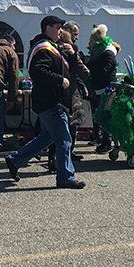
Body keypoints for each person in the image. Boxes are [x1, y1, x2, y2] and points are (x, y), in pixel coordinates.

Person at [5, 15, 85, 190]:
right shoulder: (43, 48)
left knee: (46, 138)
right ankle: (65, 176)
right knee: (64, 140)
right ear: (47, 28)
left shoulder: (52, 47)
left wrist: (72, 54)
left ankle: (15, 160)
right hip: (50, 101)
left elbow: (74, 69)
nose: (60, 30)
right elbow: (38, 71)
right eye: (57, 27)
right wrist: (59, 80)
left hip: (50, 101)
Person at [46, 25, 90, 171]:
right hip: (66, 95)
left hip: (64, 94)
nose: (77, 37)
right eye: (75, 34)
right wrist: (74, 55)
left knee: (64, 129)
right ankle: (58, 160)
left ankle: (62, 158)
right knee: (63, 130)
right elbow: (83, 71)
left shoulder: (52, 50)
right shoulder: (63, 52)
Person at [87, 24, 120, 154]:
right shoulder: (102, 52)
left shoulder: (108, 52)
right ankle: (101, 138)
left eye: (92, 40)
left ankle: (107, 142)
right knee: (99, 114)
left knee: (105, 115)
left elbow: (103, 71)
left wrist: (90, 66)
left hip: (106, 87)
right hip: (99, 86)